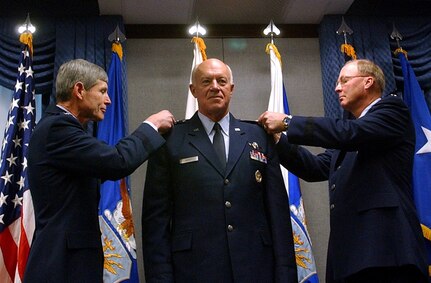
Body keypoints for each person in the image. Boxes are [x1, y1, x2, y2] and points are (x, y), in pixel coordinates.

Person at [258, 59, 428, 283]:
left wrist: (289, 122)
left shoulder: (392, 111)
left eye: (344, 81)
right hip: (351, 255)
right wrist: (279, 142)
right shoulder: (352, 132)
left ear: (368, 82)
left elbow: (350, 133)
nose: (337, 87)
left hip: (387, 251)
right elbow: (316, 168)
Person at [142, 58, 298, 282]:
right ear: (193, 90)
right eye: (206, 81)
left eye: (221, 81)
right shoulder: (171, 139)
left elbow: (278, 213)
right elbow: (155, 221)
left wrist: (286, 275)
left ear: (231, 89)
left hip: (256, 268)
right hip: (193, 270)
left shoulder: (259, 136)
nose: (215, 86)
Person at [23, 59, 175, 283]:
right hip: (62, 266)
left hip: (67, 262)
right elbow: (116, 162)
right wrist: (151, 126)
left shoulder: (62, 129)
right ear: (79, 90)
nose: (109, 100)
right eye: (102, 91)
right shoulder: (58, 128)